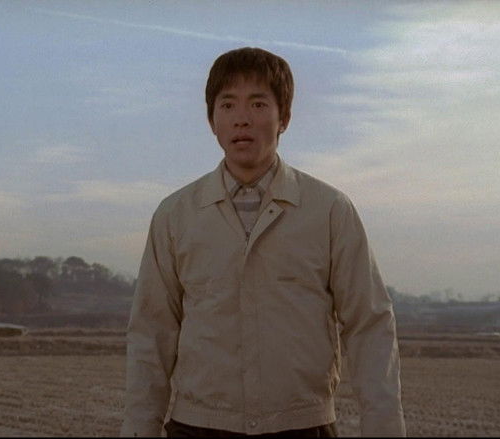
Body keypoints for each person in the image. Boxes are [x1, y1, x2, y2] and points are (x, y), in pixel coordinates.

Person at [121, 47, 405, 437]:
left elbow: (369, 323)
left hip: (303, 425)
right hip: (200, 425)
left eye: (258, 104)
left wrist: (385, 428)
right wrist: (140, 428)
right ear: (212, 120)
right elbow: (151, 331)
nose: (242, 119)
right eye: (228, 105)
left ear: (283, 117)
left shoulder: (329, 210)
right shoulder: (176, 215)